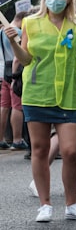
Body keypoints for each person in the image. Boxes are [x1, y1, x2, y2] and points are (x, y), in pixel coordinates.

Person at [4, 0, 76, 222]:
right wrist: (13, 41)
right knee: (40, 150)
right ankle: (45, 204)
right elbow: (25, 59)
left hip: (68, 95)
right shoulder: (31, 23)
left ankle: (72, 204)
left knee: (71, 150)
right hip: (37, 93)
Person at [1, 10, 29, 151]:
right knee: (17, 106)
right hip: (16, 69)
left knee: (4, 106)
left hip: (5, 68)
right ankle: (17, 139)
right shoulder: (16, 32)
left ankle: (1, 139)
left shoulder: (2, 31)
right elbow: (19, 55)